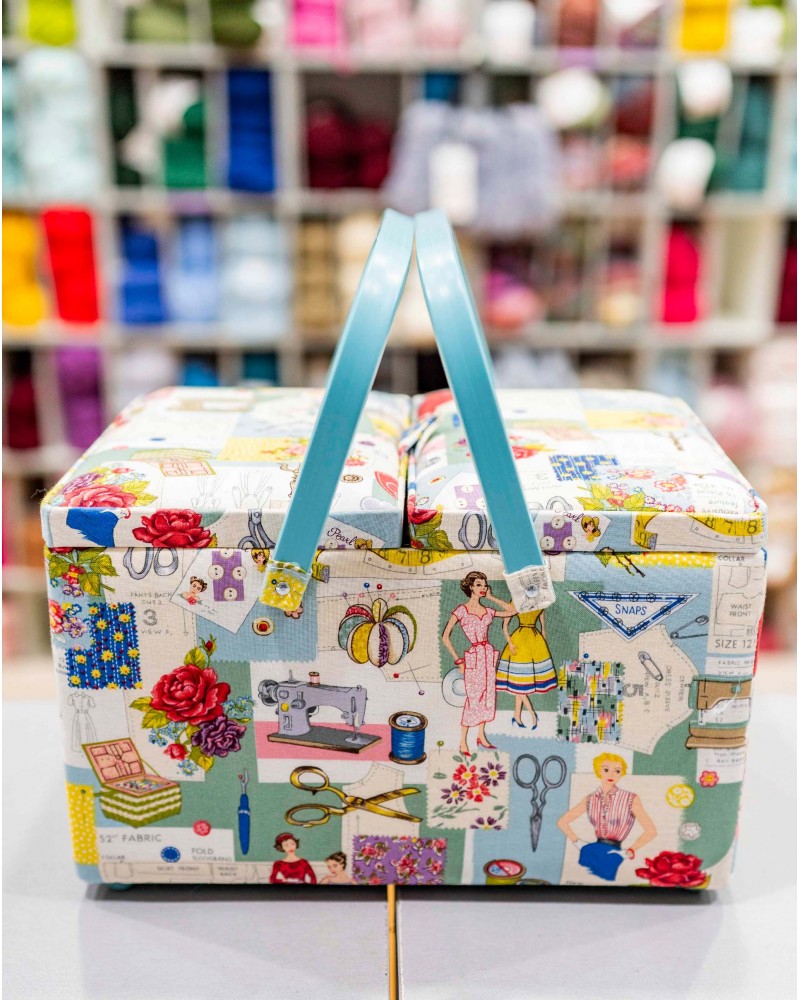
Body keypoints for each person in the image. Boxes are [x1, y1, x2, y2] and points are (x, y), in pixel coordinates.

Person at [441, 571, 516, 757]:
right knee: (473, 698)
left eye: (484, 585)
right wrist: (459, 660)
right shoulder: (462, 610)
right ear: (471, 587)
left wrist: (491, 597)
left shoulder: (488, 611)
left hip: (487, 656)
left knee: (488, 696)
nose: (483, 588)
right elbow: (445, 637)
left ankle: (481, 735)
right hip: (474, 657)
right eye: (478, 585)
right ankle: (462, 741)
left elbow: (512, 611)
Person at [557, 753, 657, 882]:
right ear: (598, 771)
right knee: (581, 882)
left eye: (617, 771)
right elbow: (562, 822)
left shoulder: (630, 799)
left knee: (606, 883)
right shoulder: (590, 799)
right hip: (590, 850)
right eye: (606, 769)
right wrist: (578, 843)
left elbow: (651, 831)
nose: (611, 775)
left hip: (614, 853)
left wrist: (628, 852)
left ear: (621, 773)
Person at [496, 609, 556, 730]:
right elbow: (505, 625)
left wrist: (543, 642)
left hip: (535, 641)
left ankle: (516, 715)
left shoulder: (540, 603)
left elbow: (543, 625)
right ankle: (532, 713)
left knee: (522, 682)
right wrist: (510, 643)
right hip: (519, 642)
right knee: (519, 681)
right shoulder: (516, 602)